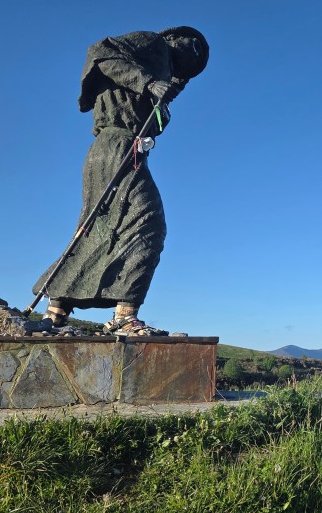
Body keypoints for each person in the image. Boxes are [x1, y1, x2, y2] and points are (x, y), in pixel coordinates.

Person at [33, 26, 209, 336]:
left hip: (123, 149)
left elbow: (154, 116)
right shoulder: (153, 44)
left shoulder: (160, 67)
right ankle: (124, 316)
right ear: (173, 37)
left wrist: (167, 87)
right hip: (116, 146)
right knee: (148, 222)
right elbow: (99, 52)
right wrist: (149, 83)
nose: (194, 52)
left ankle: (57, 307)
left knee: (103, 223)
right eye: (192, 45)